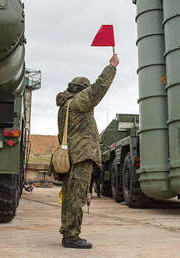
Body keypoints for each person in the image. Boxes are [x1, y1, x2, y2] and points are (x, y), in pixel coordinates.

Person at [56, 53, 119, 249]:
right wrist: (111, 67)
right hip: (81, 156)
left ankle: (67, 231)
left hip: (71, 156)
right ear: (81, 91)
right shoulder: (78, 102)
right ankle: (72, 236)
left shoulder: (65, 105)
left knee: (69, 195)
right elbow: (98, 89)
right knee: (77, 197)